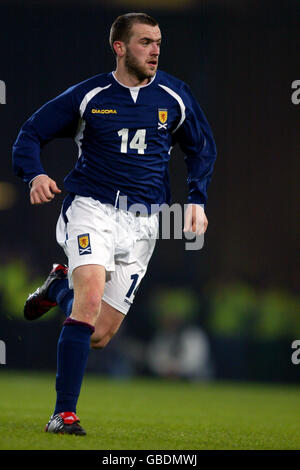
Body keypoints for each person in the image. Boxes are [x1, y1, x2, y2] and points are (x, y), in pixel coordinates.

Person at [12, 12, 217, 435]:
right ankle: (63, 414)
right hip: (92, 208)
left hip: (143, 223)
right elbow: (30, 133)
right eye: (145, 42)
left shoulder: (175, 96)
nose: (155, 49)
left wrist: (196, 198)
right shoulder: (90, 96)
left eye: (158, 41)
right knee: (88, 303)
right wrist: (34, 174)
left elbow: (202, 148)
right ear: (119, 48)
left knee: (100, 334)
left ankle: (57, 287)